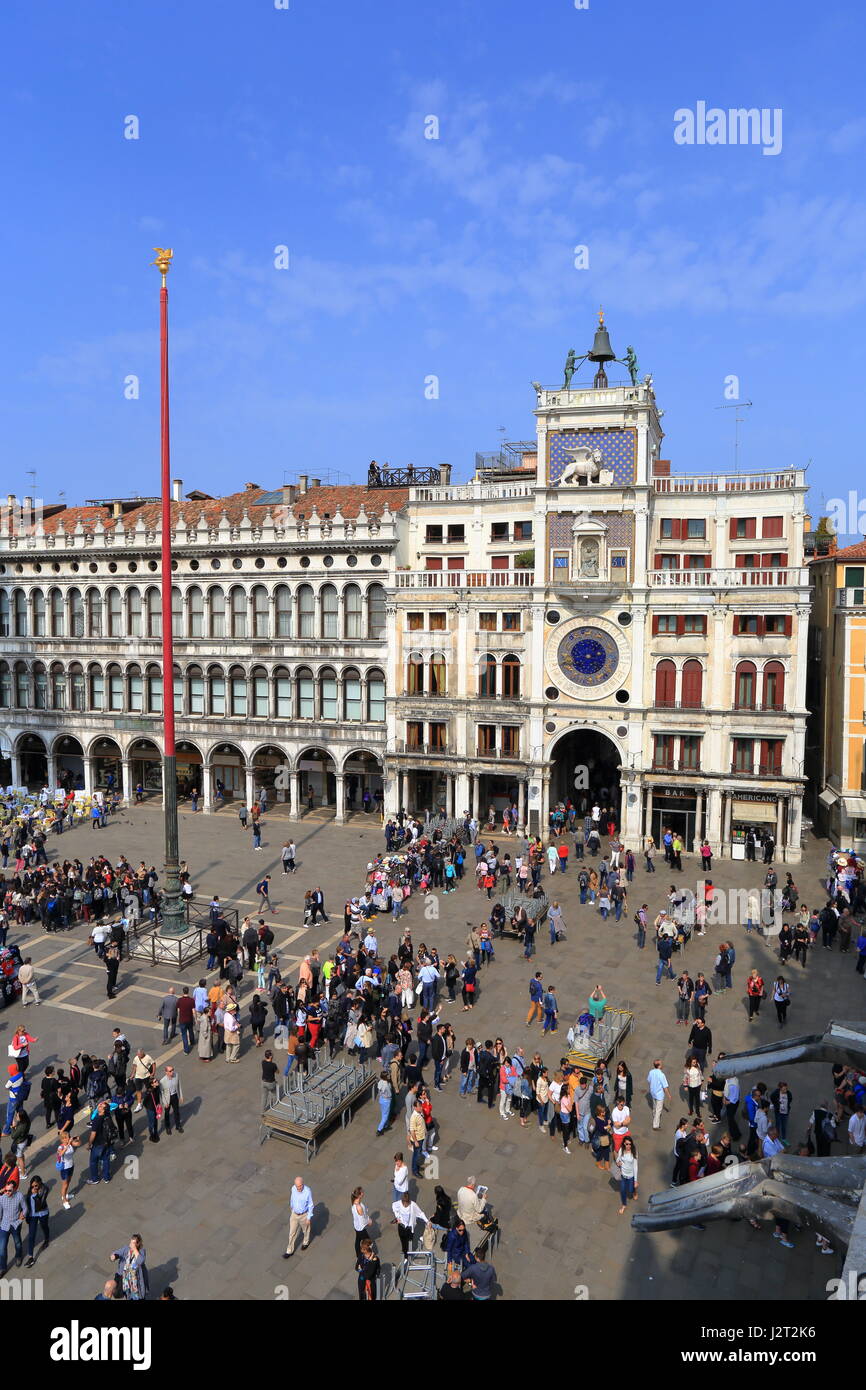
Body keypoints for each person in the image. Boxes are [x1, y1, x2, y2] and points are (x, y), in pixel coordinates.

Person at [391, 1191, 429, 1262]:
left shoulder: (413, 1205)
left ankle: (408, 1252)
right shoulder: (398, 1203)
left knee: (409, 1240)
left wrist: (427, 1221)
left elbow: (420, 1213)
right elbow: (393, 1206)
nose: (405, 1205)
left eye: (406, 1203)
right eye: (404, 1203)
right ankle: (405, 1256)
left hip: (409, 1228)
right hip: (401, 1226)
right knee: (403, 1242)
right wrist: (397, 1217)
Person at [0, 1179, 27, 1275]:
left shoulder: (19, 1196)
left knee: (18, 1243)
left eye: (9, 1190)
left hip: (16, 1224)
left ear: (14, 1189)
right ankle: (2, 1267)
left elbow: (25, 1208)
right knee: (2, 1247)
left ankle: (18, 1256)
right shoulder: (2, 1198)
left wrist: (22, 1215)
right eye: (6, 1190)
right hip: (4, 1225)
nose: (7, 1192)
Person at [283, 1176, 314, 1257]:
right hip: (294, 1214)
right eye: (297, 1186)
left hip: (304, 1215)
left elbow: (311, 1205)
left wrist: (309, 1217)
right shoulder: (293, 1188)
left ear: (303, 1184)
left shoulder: (307, 1191)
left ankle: (305, 1242)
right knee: (292, 1233)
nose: (298, 1188)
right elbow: (292, 1199)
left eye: (300, 1186)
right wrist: (292, 1208)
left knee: (306, 1230)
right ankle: (289, 1250)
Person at [111, 1235, 149, 1300]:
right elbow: (117, 1253)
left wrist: (134, 1249)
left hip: (136, 1282)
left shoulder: (141, 1251)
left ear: (138, 1244)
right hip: (126, 1280)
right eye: (131, 1242)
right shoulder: (126, 1249)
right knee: (128, 1294)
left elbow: (140, 1261)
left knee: (137, 1296)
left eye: (133, 1243)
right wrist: (114, 1256)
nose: (131, 1245)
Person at [24, 1175, 49, 1266]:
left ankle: (46, 1239)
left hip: (42, 1213)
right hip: (32, 1215)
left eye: (36, 1186)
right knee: (31, 1235)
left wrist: (35, 1195)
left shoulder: (45, 1189)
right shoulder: (30, 1189)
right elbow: (27, 1201)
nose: (34, 1187)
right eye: (32, 1186)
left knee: (44, 1226)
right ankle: (31, 1257)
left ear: (40, 1184)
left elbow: (41, 1204)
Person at [615, 1136, 639, 1215]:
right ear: (624, 1144)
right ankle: (624, 1205)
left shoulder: (634, 1152)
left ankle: (635, 1191)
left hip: (631, 1176)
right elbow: (618, 1159)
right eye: (627, 1144)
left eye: (630, 1144)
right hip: (623, 1175)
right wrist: (618, 1163)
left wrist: (635, 1180)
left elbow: (635, 1167)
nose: (628, 1146)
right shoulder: (621, 1150)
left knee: (631, 1190)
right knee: (622, 1191)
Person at [159, 1065, 184, 1135]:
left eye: (172, 1070)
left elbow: (179, 1086)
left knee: (176, 1112)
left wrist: (181, 1096)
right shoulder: (162, 1081)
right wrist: (165, 1103)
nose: (172, 1072)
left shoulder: (176, 1075)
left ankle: (178, 1126)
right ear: (166, 1072)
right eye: (170, 1071)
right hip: (167, 1098)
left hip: (175, 1096)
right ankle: (168, 1128)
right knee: (167, 1114)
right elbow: (162, 1093)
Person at [647, 1060, 672, 1130]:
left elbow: (649, 1080)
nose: (663, 1064)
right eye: (661, 1063)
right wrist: (669, 1095)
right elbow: (665, 1087)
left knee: (654, 1106)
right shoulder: (661, 1075)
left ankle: (654, 1115)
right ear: (659, 1065)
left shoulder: (651, 1072)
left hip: (653, 1092)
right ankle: (655, 1125)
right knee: (659, 1110)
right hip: (659, 1094)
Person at [356, 1237, 380, 1302]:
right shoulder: (361, 1255)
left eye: (363, 1249)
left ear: (368, 1249)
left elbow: (369, 1274)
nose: (361, 1250)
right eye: (361, 1248)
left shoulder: (374, 1259)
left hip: (370, 1281)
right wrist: (360, 1269)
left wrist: (361, 1270)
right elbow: (356, 1267)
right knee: (362, 1295)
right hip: (361, 1279)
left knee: (371, 1295)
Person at [350, 1186, 371, 1260]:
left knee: (358, 1240)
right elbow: (363, 1219)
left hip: (356, 1226)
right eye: (362, 1192)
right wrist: (369, 1221)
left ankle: (358, 1255)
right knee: (368, 1243)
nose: (363, 1193)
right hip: (361, 1228)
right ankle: (367, 1256)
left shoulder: (354, 1203)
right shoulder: (359, 1207)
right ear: (359, 1195)